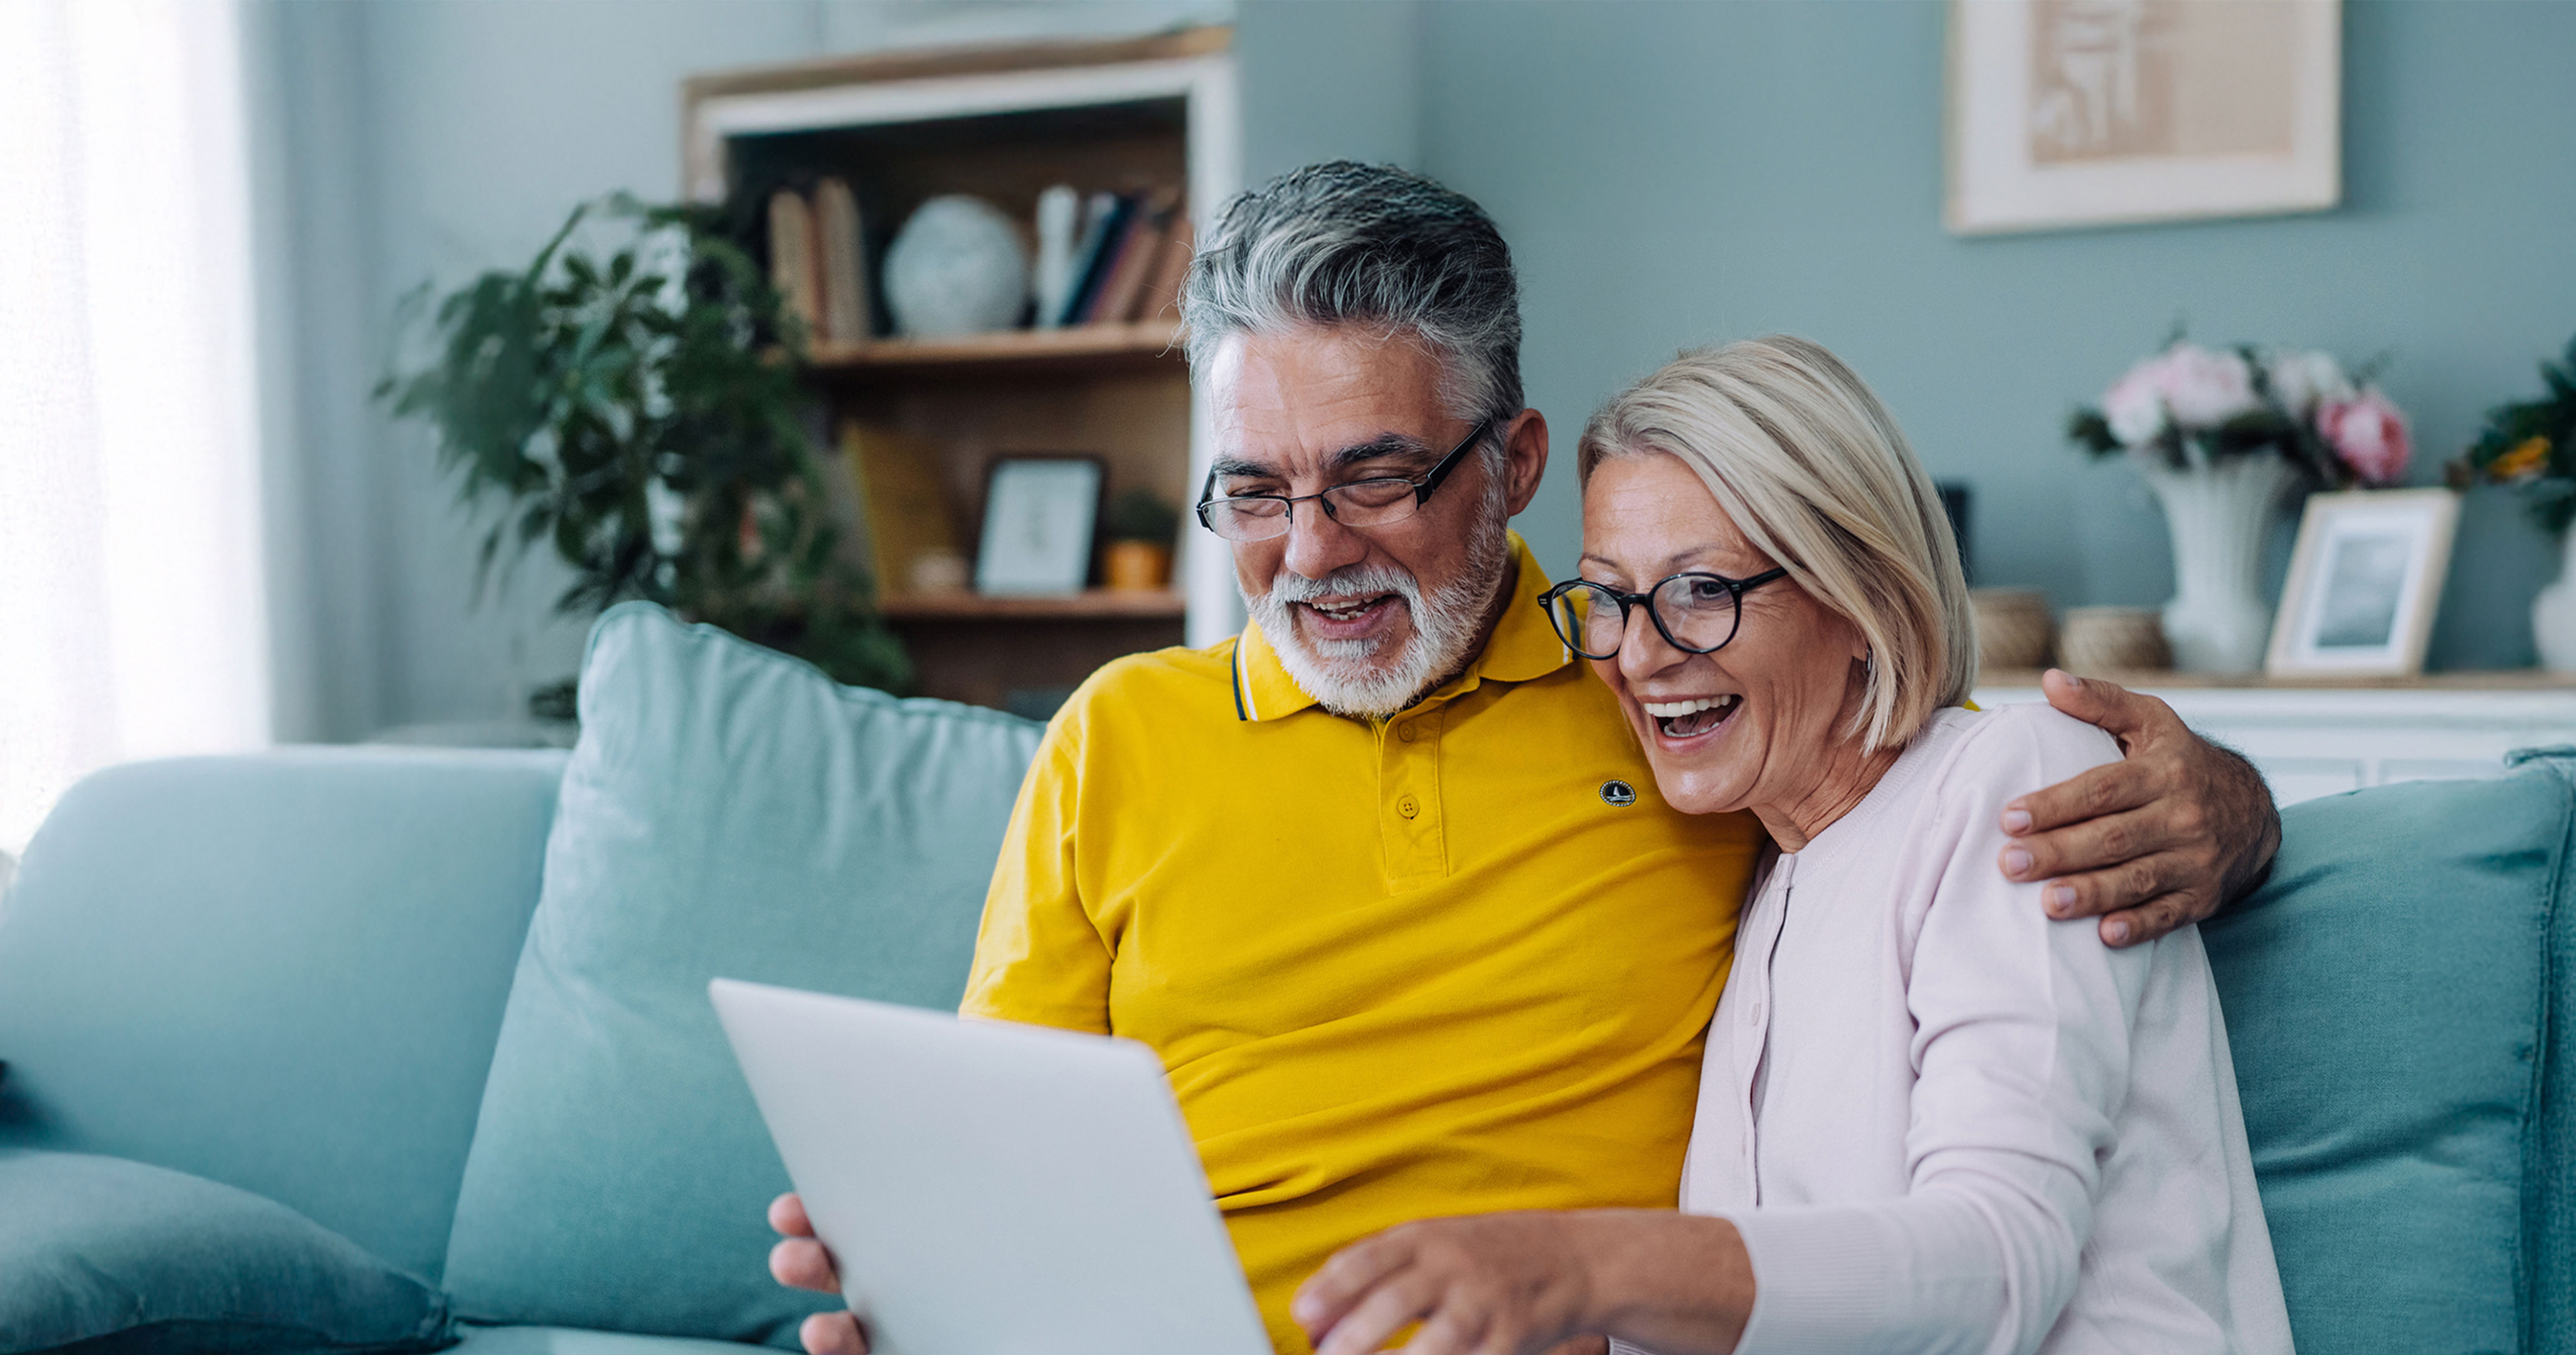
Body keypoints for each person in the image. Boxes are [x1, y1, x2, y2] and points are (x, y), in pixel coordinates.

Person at [768, 162, 2282, 1355]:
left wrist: (2230, 808)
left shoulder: (1667, 714)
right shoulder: (1115, 738)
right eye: (1250, 493)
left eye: (1373, 478)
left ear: (1510, 463)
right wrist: (929, 1290)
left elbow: (1928, 786)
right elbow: (998, 1158)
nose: (1310, 555)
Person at [1287, 336, 2290, 1355]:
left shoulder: (2018, 779)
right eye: (1608, 598)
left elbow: (1998, 1263)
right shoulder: (1765, 867)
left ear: (1863, 596)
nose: (1638, 657)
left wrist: (1585, 1268)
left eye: (1700, 592)